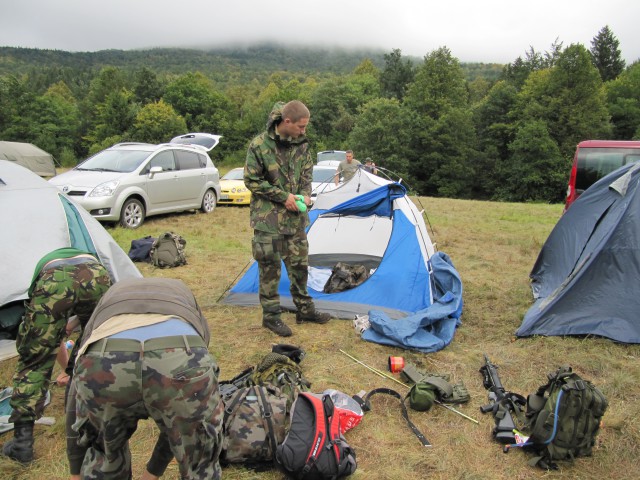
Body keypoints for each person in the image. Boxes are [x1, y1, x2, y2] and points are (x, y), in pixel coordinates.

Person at [70, 277, 224, 479]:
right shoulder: (184, 295)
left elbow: (75, 402)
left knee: (105, 455)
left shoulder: (107, 299)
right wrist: (153, 472)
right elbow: (183, 420)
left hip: (103, 362)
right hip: (180, 358)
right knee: (199, 460)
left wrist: (75, 470)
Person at [1, 248, 112, 464]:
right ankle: (78, 418)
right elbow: (83, 314)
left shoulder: (41, 277)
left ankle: (22, 444)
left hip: (55, 281)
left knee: (34, 361)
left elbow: (51, 339)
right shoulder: (88, 259)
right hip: (97, 275)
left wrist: (58, 335)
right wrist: (68, 369)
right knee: (91, 349)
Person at [244, 100, 331, 337]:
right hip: (268, 221)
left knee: (300, 267)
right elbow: (251, 181)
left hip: (295, 221)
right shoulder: (259, 146)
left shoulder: (302, 146)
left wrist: (304, 195)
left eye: (306, 127)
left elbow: (306, 175)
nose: (304, 131)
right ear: (287, 121)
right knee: (270, 269)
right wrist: (284, 197)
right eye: (301, 126)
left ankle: (305, 309)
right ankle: (271, 317)